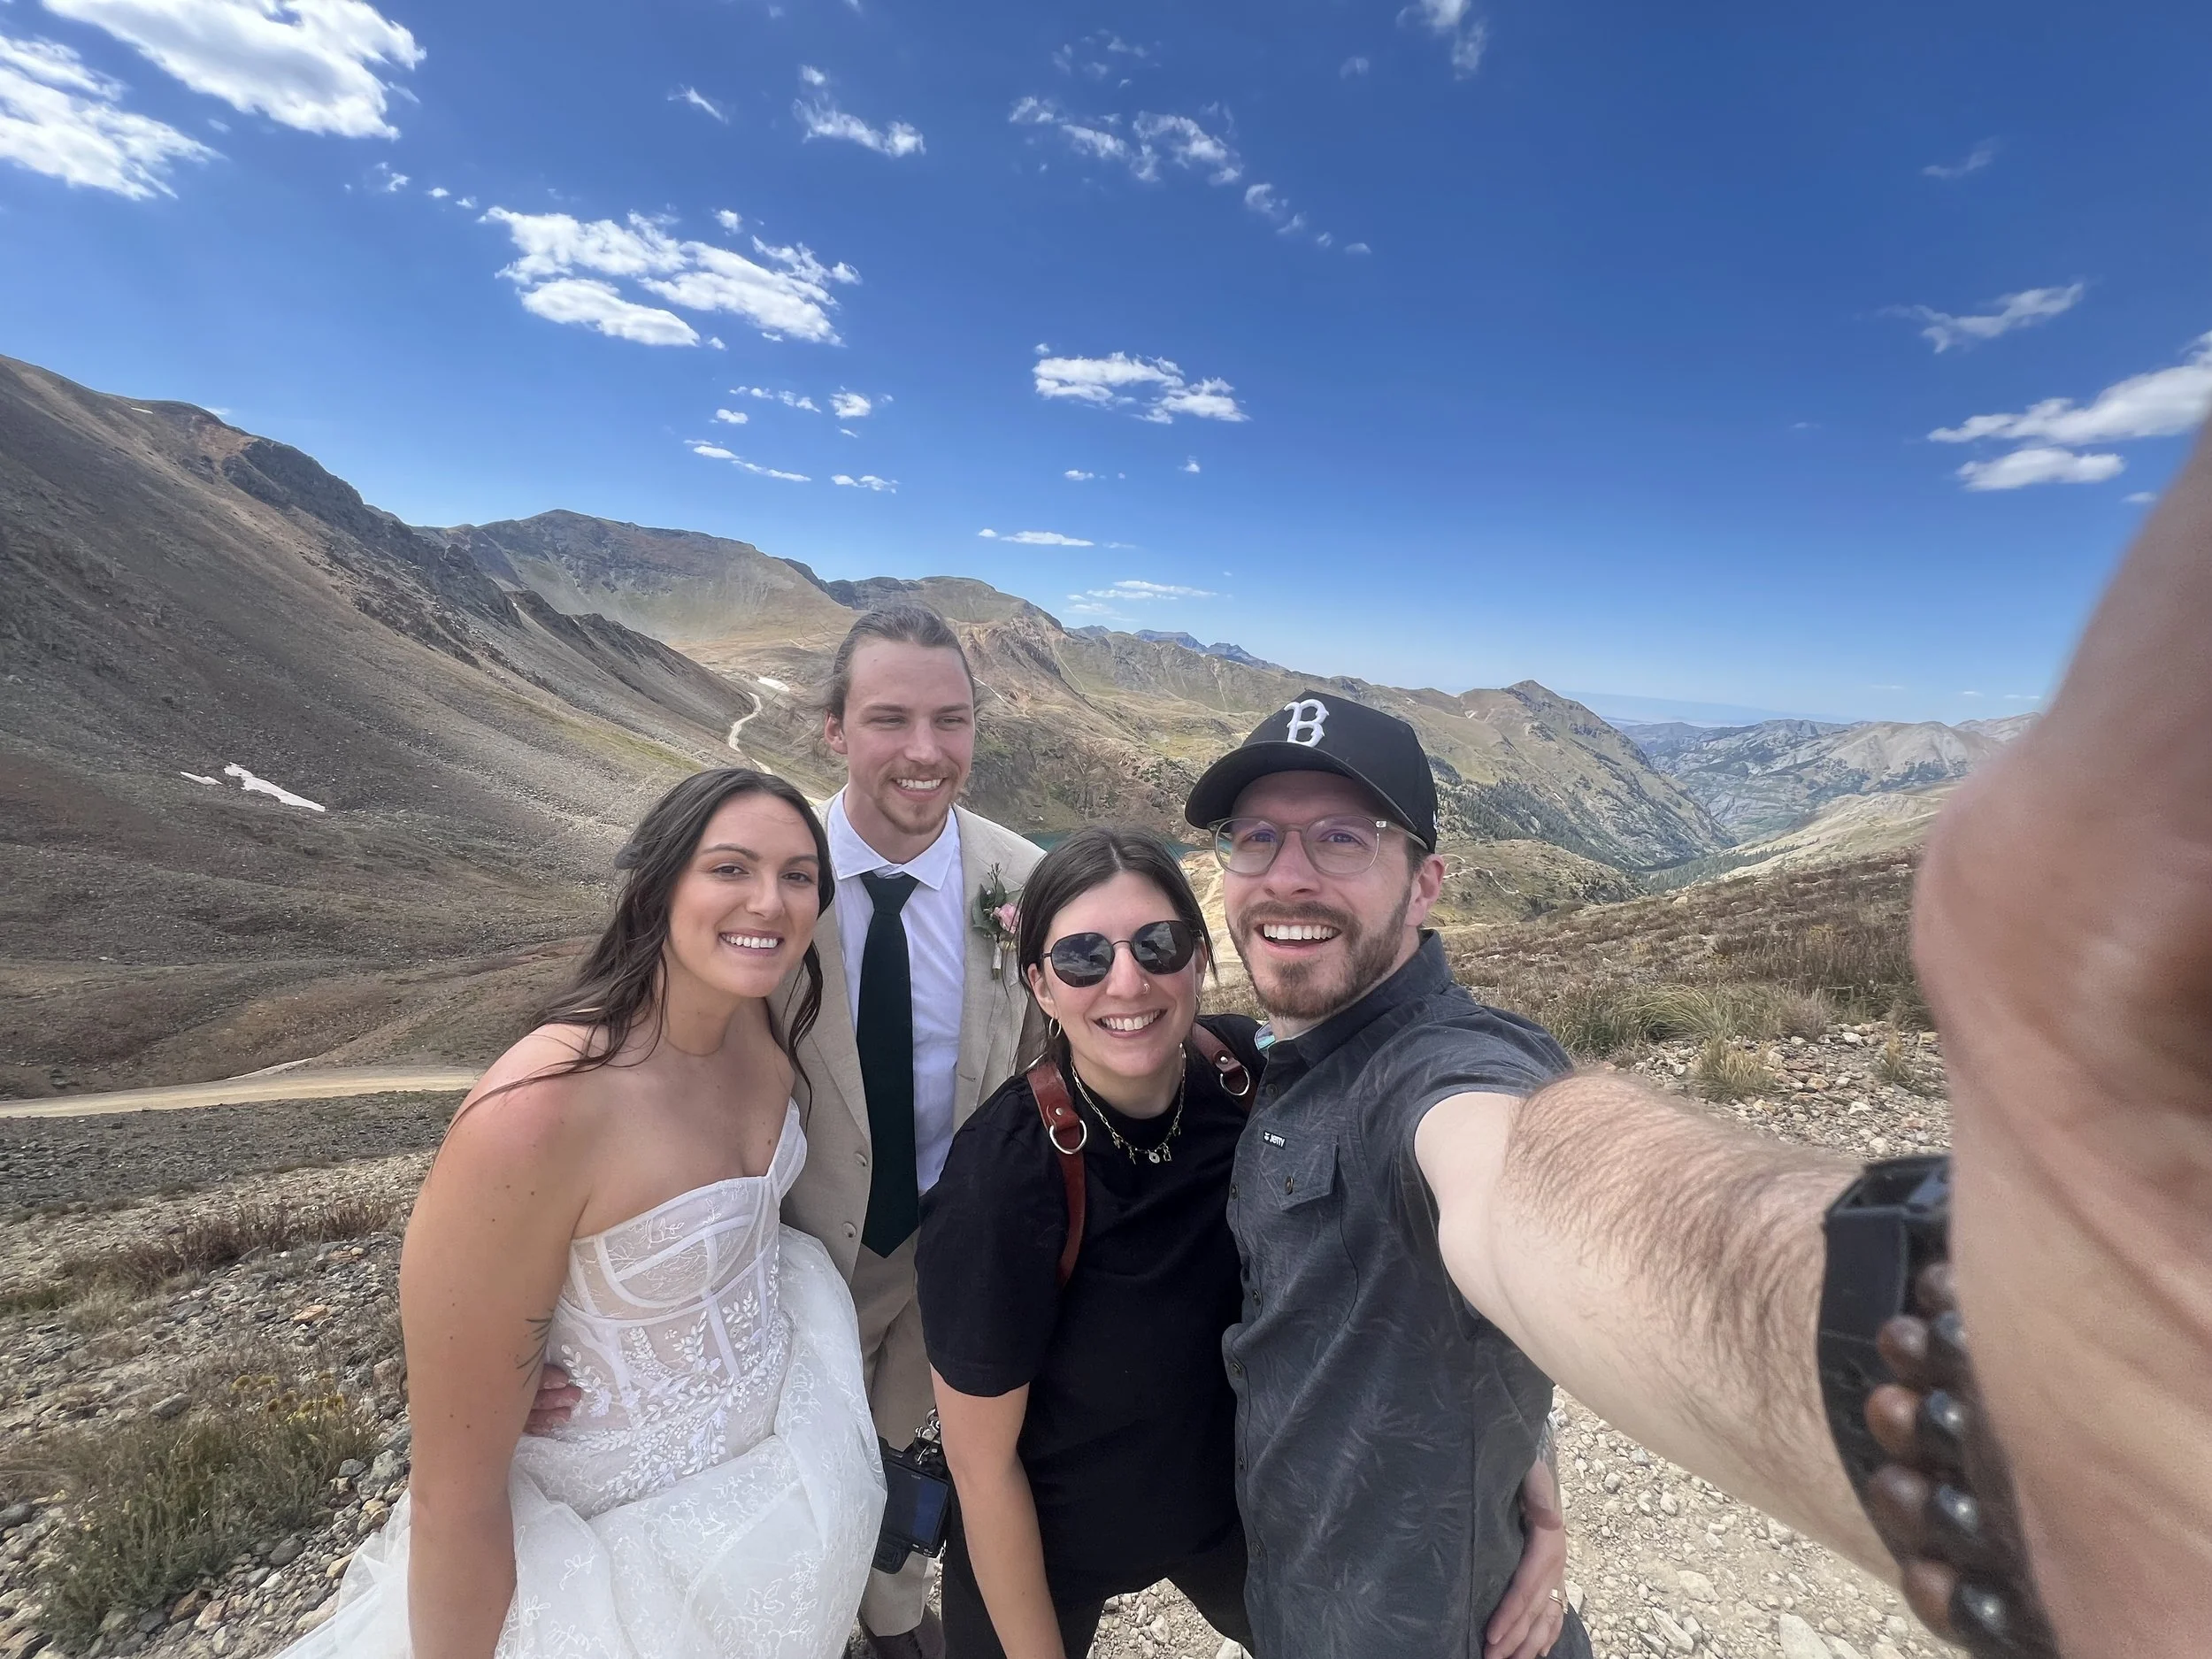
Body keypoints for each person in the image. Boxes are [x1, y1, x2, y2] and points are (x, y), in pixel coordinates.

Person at [916, 826, 1575, 1659]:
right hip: (1054, 1533)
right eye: (1083, 957)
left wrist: (1527, 1483)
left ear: (1197, 958)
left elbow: (1432, 1260)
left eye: (1158, 945)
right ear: (1041, 985)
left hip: (1233, 1510)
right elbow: (982, 1469)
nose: (1128, 980)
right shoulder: (1001, 1181)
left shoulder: (1250, 1078)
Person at [285, 768, 883, 1659]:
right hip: (613, 1553)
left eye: (799, 876)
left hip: (783, 1480)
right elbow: (456, 1500)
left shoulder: (759, 1022)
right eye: (730, 868)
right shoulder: (538, 1110)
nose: (770, 900)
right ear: (657, 884)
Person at [538, 606, 1044, 1659]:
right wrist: (541, 1317)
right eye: (889, 718)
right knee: (786, 1505)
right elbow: (640, 1080)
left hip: (953, 1271)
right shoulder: (770, 882)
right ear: (833, 729)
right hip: (781, 1274)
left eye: (949, 721)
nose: (923, 751)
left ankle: (894, 1620)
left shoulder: (1025, 884)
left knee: (920, 1478)